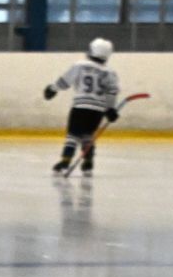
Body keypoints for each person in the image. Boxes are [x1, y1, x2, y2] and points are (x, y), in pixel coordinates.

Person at [45, 38, 121, 176]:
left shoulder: (80, 65)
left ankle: (66, 159)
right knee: (88, 135)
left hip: (80, 106)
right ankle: (88, 161)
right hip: (97, 110)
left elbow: (65, 81)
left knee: (73, 134)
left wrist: (52, 89)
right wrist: (110, 109)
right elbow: (112, 92)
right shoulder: (110, 72)